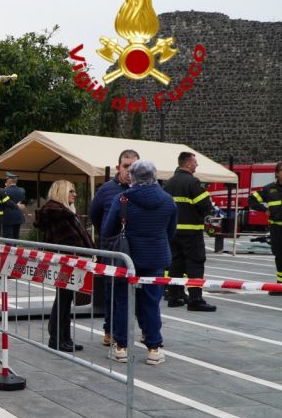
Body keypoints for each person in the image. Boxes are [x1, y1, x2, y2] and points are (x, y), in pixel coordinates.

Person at [102, 159, 176, 366]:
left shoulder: (122, 199)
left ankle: (122, 347)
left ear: (132, 177)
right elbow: (171, 232)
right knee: (151, 303)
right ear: (154, 176)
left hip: (128, 259)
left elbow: (108, 230)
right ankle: (154, 348)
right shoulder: (168, 200)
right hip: (156, 258)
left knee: (123, 302)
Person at [35, 180, 93, 352]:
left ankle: (63, 338)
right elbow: (70, 240)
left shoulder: (61, 212)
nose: (75, 194)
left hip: (67, 262)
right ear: (61, 192)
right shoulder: (59, 214)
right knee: (63, 301)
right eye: (71, 191)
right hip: (66, 262)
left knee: (64, 301)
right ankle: (58, 338)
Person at [89, 148, 139, 347]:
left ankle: (135, 331)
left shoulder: (141, 189)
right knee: (112, 292)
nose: (129, 171)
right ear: (119, 167)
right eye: (126, 166)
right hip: (112, 249)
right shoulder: (106, 189)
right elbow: (94, 215)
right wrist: (108, 233)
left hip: (135, 249)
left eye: (133, 167)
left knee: (135, 292)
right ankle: (110, 330)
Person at [164, 151, 216, 311]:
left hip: (173, 232)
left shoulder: (169, 183)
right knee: (195, 264)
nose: (196, 165)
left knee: (176, 264)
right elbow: (206, 206)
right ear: (187, 164)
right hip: (192, 232)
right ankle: (195, 300)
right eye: (195, 162)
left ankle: (174, 296)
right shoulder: (193, 183)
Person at [250, 162, 282, 296]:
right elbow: (252, 200)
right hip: (277, 228)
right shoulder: (268, 189)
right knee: (280, 257)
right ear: (277, 173)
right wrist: (264, 209)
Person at [2, 172, 27, 240]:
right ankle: (15, 250)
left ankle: (10, 250)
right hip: (18, 217)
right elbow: (23, 202)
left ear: (9, 181)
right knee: (16, 237)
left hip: (8, 217)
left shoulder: (4, 191)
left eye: (6, 180)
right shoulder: (22, 190)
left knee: (8, 238)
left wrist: (5, 188)